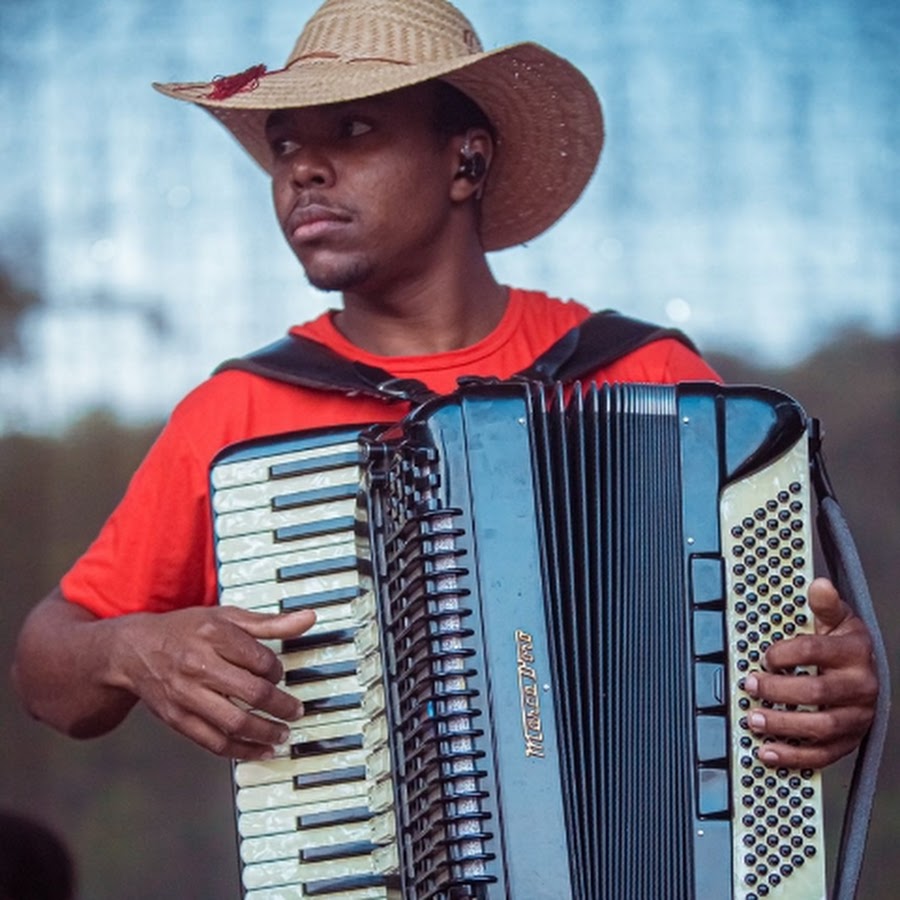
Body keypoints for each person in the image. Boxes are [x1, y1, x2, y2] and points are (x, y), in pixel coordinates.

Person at [12, 0, 875, 775]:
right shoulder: (238, 413)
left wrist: (829, 687)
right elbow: (45, 673)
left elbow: (800, 655)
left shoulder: (648, 378)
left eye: (352, 129)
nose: (302, 171)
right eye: (284, 147)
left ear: (466, 162)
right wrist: (131, 649)